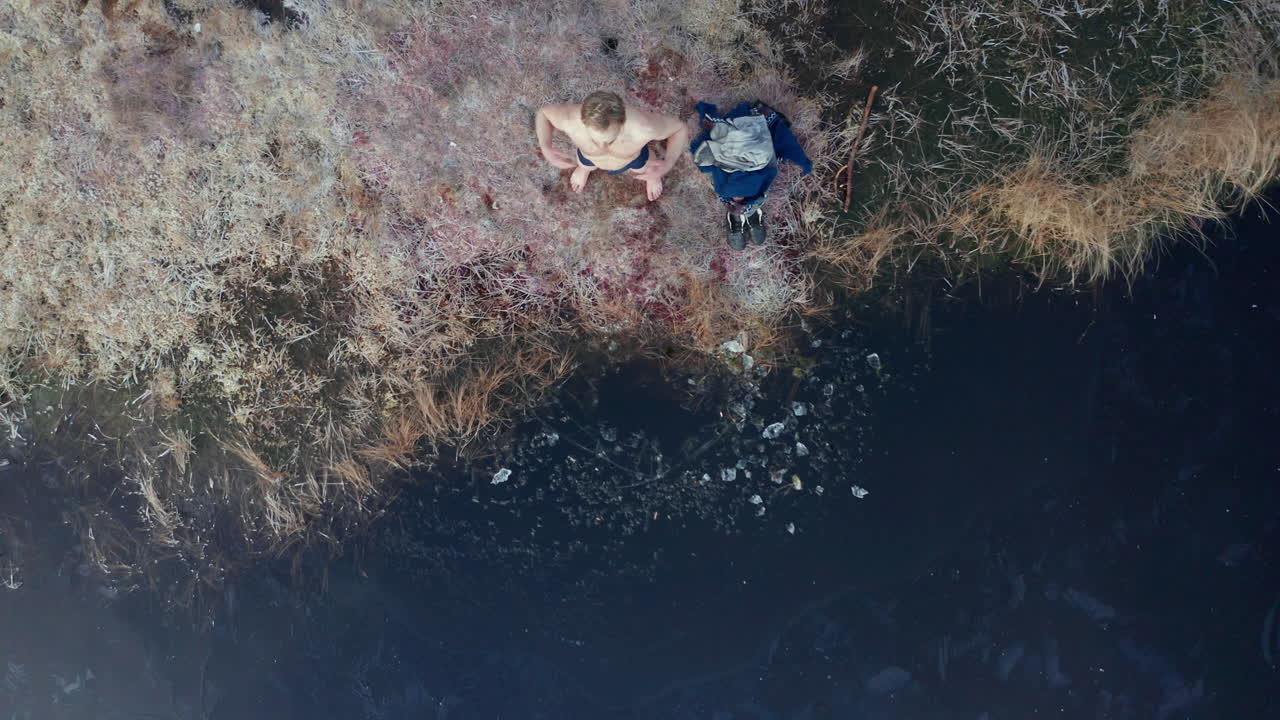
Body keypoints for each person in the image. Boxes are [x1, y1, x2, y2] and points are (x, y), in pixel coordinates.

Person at [689, 100, 812, 249]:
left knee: (748, 186)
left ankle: (749, 211)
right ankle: (740, 213)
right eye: (738, 198)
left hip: (749, 162)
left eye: (738, 198)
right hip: (740, 165)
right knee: (737, 188)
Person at [536, 91, 688, 202]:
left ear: (623, 123)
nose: (602, 146)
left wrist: (668, 163)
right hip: (589, 157)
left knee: (644, 166)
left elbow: (679, 129)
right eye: (595, 140)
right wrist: (546, 147)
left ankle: (651, 176)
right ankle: (584, 168)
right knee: (585, 162)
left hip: (633, 159)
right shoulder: (570, 120)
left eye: (609, 140)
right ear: (583, 121)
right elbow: (543, 114)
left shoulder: (644, 127)